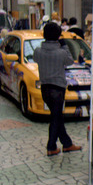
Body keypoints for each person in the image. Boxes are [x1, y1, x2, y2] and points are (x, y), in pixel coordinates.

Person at [34, 22, 82, 156]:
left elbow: (35, 58)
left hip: (45, 89)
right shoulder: (61, 52)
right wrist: (64, 45)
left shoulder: (38, 51)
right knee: (56, 118)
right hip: (58, 89)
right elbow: (70, 61)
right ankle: (51, 146)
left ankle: (67, 144)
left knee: (57, 117)